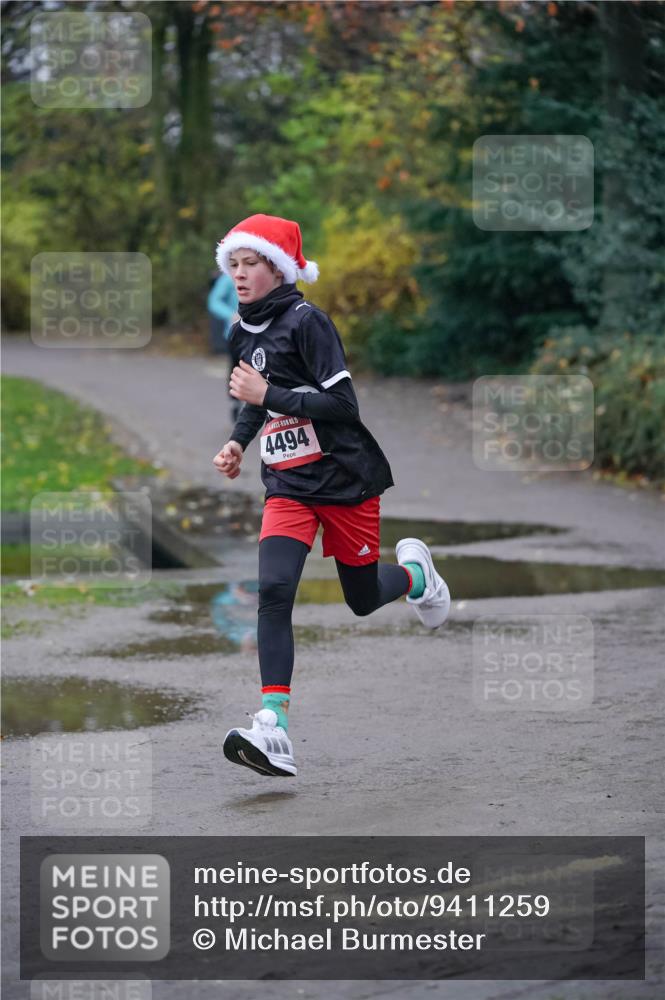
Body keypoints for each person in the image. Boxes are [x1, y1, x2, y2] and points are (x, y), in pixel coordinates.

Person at [212, 214, 450, 777]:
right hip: (289, 486)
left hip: (344, 480)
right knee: (273, 590)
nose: (239, 275)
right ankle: (273, 726)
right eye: (233, 265)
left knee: (362, 597)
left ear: (279, 268)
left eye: (250, 264)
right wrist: (238, 442)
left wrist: (270, 392)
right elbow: (256, 402)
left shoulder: (308, 322)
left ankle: (418, 577)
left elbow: (343, 408)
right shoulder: (243, 330)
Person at [207, 270, 241, 422]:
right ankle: (236, 403)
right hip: (236, 334)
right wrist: (231, 314)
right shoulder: (228, 277)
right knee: (237, 370)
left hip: (262, 333)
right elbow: (214, 301)